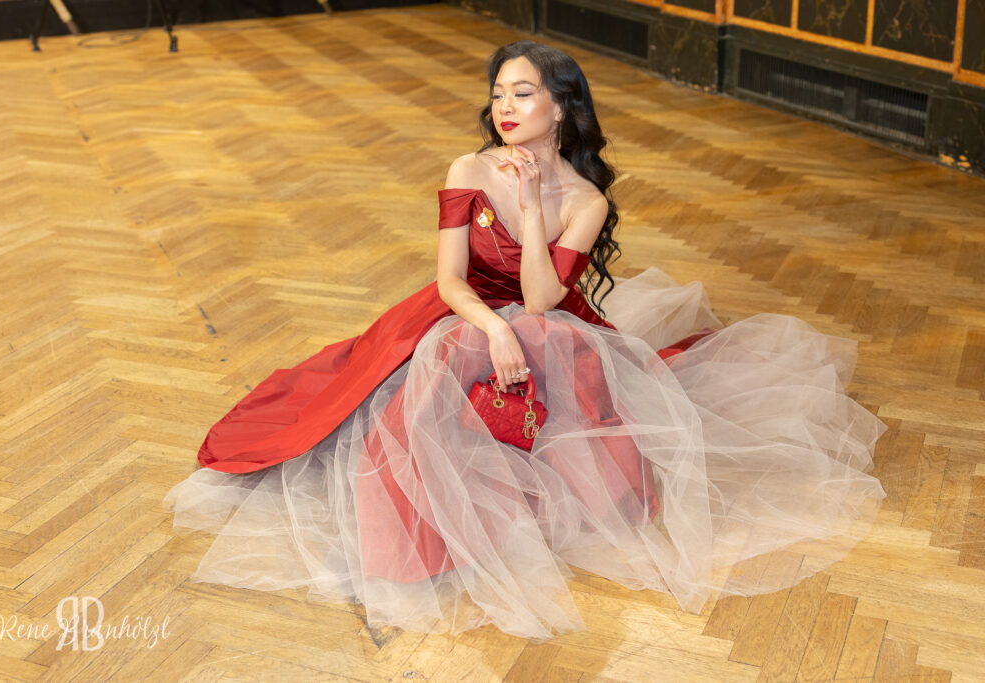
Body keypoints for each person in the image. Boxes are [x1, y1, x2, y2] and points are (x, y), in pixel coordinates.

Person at [163, 40, 886, 641]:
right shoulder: (469, 169)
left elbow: (541, 299)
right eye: (498, 95)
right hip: (461, 312)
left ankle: (511, 496)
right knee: (433, 372)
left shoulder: (586, 199)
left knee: (539, 345)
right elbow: (450, 279)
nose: (505, 108)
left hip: (552, 325)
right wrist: (488, 328)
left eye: (523, 94)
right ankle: (418, 546)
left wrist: (536, 206)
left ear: (562, 108)